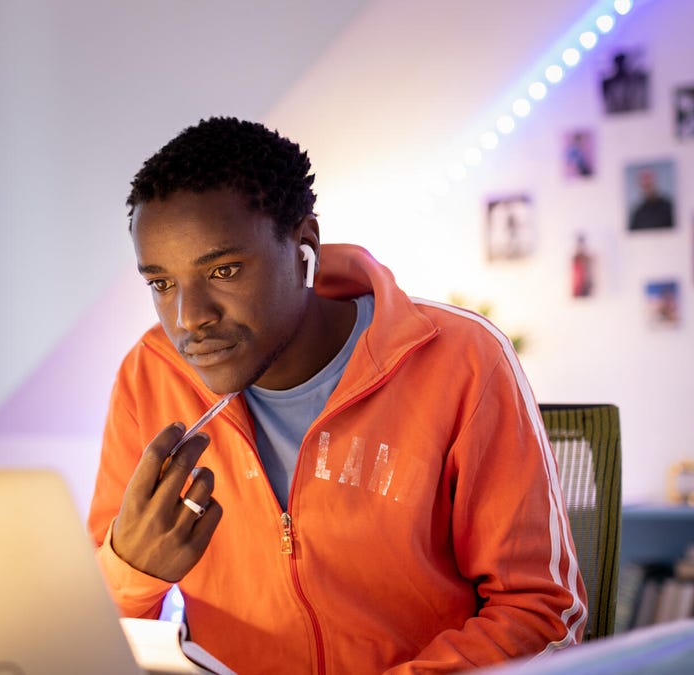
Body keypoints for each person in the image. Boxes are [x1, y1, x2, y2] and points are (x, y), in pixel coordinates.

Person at [87, 117, 586, 674]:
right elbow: (86, 629)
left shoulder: (462, 359)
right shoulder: (149, 375)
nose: (189, 318)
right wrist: (131, 569)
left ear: (304, 245)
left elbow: (540, 613)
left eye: (224, 270)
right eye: (161, 283)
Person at [629, 167, 673, 231]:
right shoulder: (637, 213)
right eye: (645, 184)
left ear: (654, 182)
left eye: (649, 182)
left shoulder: (668, 207)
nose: (647, 184)